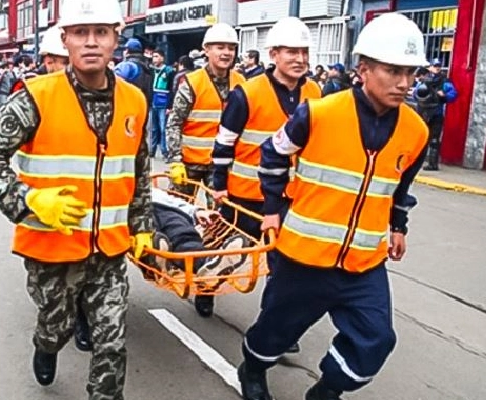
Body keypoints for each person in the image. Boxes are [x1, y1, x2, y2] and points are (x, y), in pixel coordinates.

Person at [237, 13, 429, 400]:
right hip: (304, 256)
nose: (404, 83)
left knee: (375, 340)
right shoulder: (319, 113)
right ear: (363, 69)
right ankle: (253, 369)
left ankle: (326, 391)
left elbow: (400, 185)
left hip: (364, 262)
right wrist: (273, 206)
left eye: (410, 72)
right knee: (276, 330)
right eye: (393, 71)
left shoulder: (416, 130)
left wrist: (398, 225)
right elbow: (272, 153)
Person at [0, 0, 152, 398]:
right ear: (65, 40)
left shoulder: (135, 101)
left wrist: (143, 226)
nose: (91, 42)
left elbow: (138, 171)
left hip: (108, 251)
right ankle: (45, 344)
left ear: (115, 40)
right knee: (58, 326)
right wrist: (28, 200)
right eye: (81, 34)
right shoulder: (35, 97)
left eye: (101, 33)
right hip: (52, 246)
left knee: (111, 342)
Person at [210, 17, 322, 318]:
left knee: (284, 265)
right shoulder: (247, 93)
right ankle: (208, 287)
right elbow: (224, 143)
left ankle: (272, 320)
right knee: (228, 255)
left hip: (289, 197)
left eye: (304, 53)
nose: (299, 59)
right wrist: (219, 184)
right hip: (243, 196)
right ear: (273, 55)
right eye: (291, 52)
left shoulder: (315, 93)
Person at [165, 22, 244, 210]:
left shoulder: (241, 83)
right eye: (220, 47)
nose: (226, 53)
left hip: (220, 165)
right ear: (206, 50)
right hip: (188, 163)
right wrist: (175, 160)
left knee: (219, 218)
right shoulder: (192, 83)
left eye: (231, 48)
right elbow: (174, 123)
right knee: (176, 213)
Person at [413, 58, 457, 171]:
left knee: (434, 139)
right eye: (435, 66)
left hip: (436, 113)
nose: (437, 68)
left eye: (438, 66)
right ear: (430, 67)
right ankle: (414, 161)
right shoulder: (424, 79)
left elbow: (453, 94)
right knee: (419, 139)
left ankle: (432, 164)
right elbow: (415, 94)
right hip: (422, 112)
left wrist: (444, 96)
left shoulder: (445, 81)